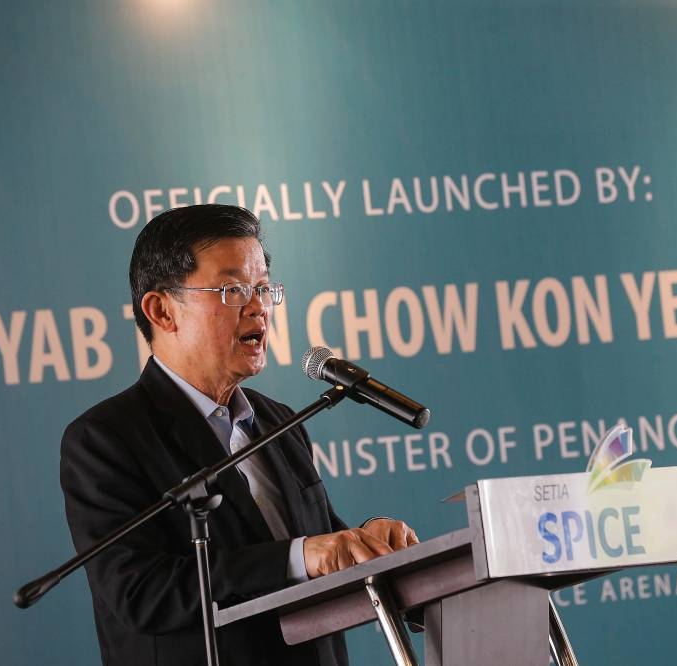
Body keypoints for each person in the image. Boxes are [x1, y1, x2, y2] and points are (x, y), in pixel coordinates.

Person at [61, 204, 418, 666]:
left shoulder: (279, 422)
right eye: (233, 289)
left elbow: (321, 550)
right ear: (161, 310)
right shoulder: (105, 440)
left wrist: (369, 544)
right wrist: (300, 557)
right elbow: (141, 592)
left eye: (264, 289)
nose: (259, 308)